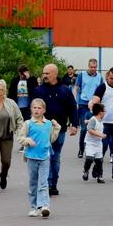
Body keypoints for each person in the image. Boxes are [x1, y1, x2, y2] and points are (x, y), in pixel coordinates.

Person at [35, 63, 79, 195]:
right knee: (44, 157)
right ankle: (45, 183)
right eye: (43, 73)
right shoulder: (38, 91)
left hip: (59, 129)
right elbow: (32, 109)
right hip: (41, 129)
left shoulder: (64, 90)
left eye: (47, 73)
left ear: (55, 74)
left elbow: (72, 108)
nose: (44, 76)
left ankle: (53, 184)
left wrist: (74, 124)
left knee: (55, 157)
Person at [16, 98, 60, 218]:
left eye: (39, 108)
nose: (36, 110)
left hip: (45, 156)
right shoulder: (28, 123)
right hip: (31, 157)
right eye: (34, 108)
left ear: (44, 110)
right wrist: (27, 140)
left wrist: (57, 128)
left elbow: (51, 139)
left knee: (43, 183)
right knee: (33, 183)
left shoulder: (48, 124)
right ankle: (34, 207)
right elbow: (20, 138)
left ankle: (44, 206)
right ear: (31, 109)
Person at [88, 67, 113, 182]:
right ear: (108, 77)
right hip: (103, 124)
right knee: (102, 149)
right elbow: (95, 101)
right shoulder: (102, 87)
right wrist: (93, 108)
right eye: (111, 78)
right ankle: (98, 170)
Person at [74, 58, 103, 158]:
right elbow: (76, 88)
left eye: (95, 67)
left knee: (95, 128)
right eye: (91, 67)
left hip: (95, 105)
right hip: (83, 104)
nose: (93, 69)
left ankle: (92, 150)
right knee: (84, 129)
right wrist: (75, 100)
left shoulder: (99, 77)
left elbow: (101, 90)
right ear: (88, 66)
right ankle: (81, 149)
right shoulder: (82, 75)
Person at [82, 103, 106, 183]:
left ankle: (100, 176)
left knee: (99, 161)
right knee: (89, 159)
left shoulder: (100, 120)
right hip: (90, 143)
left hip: (98, 143)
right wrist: (100, 135)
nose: (105, 112)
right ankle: (86, 170)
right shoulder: (93, 120)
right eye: (104, 111)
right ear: (100, 112)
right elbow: (90, 130)